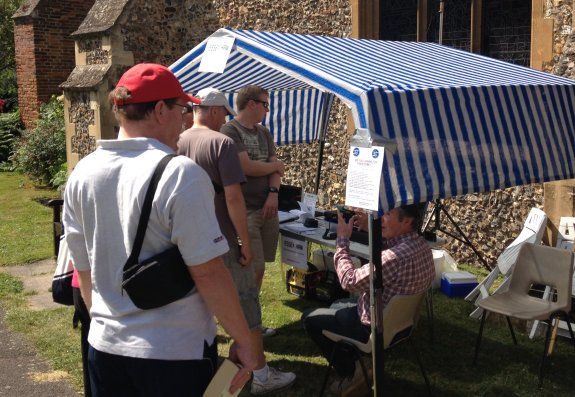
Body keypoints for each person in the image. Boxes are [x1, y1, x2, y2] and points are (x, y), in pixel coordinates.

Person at [63, 63, 256, 397]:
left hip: (105, 349)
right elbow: (208, 272)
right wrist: (245, 339)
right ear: (159, 109)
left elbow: (83, 268)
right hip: (173, 353)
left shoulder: (82, 172)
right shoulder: (180, 173)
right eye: (182, 109)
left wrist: (109, 323)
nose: (185, 120)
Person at [178, 87, 296, 396]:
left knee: (205, 301)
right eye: (223, 113)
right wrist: (244, 242)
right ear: (215, 112)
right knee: (246, 304)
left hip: (195, 236)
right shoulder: (223, 142)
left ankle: (216, 362)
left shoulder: (179, 140)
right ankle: (260, 373)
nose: (225, 119)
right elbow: (233, 198)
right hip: (225, 236)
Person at [301, 204, 435, 395]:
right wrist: (369, 228)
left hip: (372, 329)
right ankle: (361, 363)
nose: (382, 218)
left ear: (407, 221)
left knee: (309, 318)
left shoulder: (393, 259)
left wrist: (342, 240)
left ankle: (353, 373)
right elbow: (390, 248)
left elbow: (348, 281)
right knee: (337, 305)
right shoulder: (422, 246)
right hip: (401, 325)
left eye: (388, 214)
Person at [220, 85, 285, 338]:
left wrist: (273, 193)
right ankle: (247, 324)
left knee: (261, 268)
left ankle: (250, 319)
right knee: (252, 269)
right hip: (245, 211)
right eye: (265, 104)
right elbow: (245, 167)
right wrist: (274, 166)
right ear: (251, 104)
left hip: (267, 208)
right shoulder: (229, 131)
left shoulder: (264, 133)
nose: (267, 110)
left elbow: (275, 169)